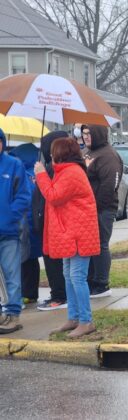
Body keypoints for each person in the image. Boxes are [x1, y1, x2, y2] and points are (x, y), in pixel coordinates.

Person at [35, 138, 100, 338]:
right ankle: (74, 318)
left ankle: (86, 321)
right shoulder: (66, 171)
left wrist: (41, 175)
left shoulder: (71, 172)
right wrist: (44, 176)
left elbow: (54, 196)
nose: (51, 155)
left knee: (77, 277)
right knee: (68, 275)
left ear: (61, 153)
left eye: (53, 152)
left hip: (78, 234)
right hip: (71, 234)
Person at [83, 125, 124, 298]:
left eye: (89, 133)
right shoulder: (87, 153)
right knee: (90, 247)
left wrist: (95, 207)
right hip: (87, 209)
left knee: (100, 245)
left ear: (97, 134)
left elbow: (110, 186)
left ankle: (102, 283)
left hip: (103, 209)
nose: (86, 137)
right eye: (83, 133)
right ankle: (91, 280)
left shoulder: (109, 155)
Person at [0, 128, 31, 334]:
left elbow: (24, 196)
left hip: (9, 232)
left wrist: (10, 216)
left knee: (11, 274)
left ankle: (13, 315)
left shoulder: (14, 164)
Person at [34, 131, 69, 311]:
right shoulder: (48, 166)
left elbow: (52, 195)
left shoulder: (56, 168)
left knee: (55, 261)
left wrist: (41, 176)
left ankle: (60, 296)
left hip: (54, 222)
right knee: (50, 259)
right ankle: (58, 293)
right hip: (45, 221)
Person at [8, 143, 42, 306]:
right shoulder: (32, 173)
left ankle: (27, 292)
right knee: (29, 260)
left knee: (23, 261)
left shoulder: (23, 174)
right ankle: (29, 292)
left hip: (24, 224)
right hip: (32, 223)